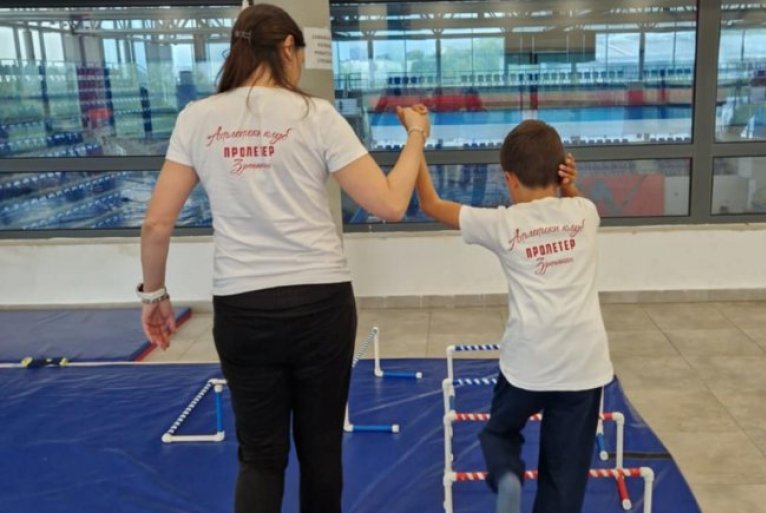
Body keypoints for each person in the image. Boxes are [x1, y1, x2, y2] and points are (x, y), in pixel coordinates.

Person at [137, 5, 430, 513]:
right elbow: (389, 203)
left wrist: (155, 295)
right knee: (321, 452)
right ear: (288, 48)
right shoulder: (316, 115)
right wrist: (416, 135)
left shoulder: (197, 118)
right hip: (321, 306)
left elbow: (156, 224)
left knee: (260, 458)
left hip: (243, 310)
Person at [412, 119, 614, 513]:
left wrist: (414, 140)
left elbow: (431, 204)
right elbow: (577, 203)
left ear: (509, 179)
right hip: (584, 363)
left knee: (499, 433)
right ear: (561, 171)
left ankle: (507, 473)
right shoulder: (585, 212)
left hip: (528, 362)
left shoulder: (504, 223)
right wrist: (569, 185)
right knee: (565, 475)